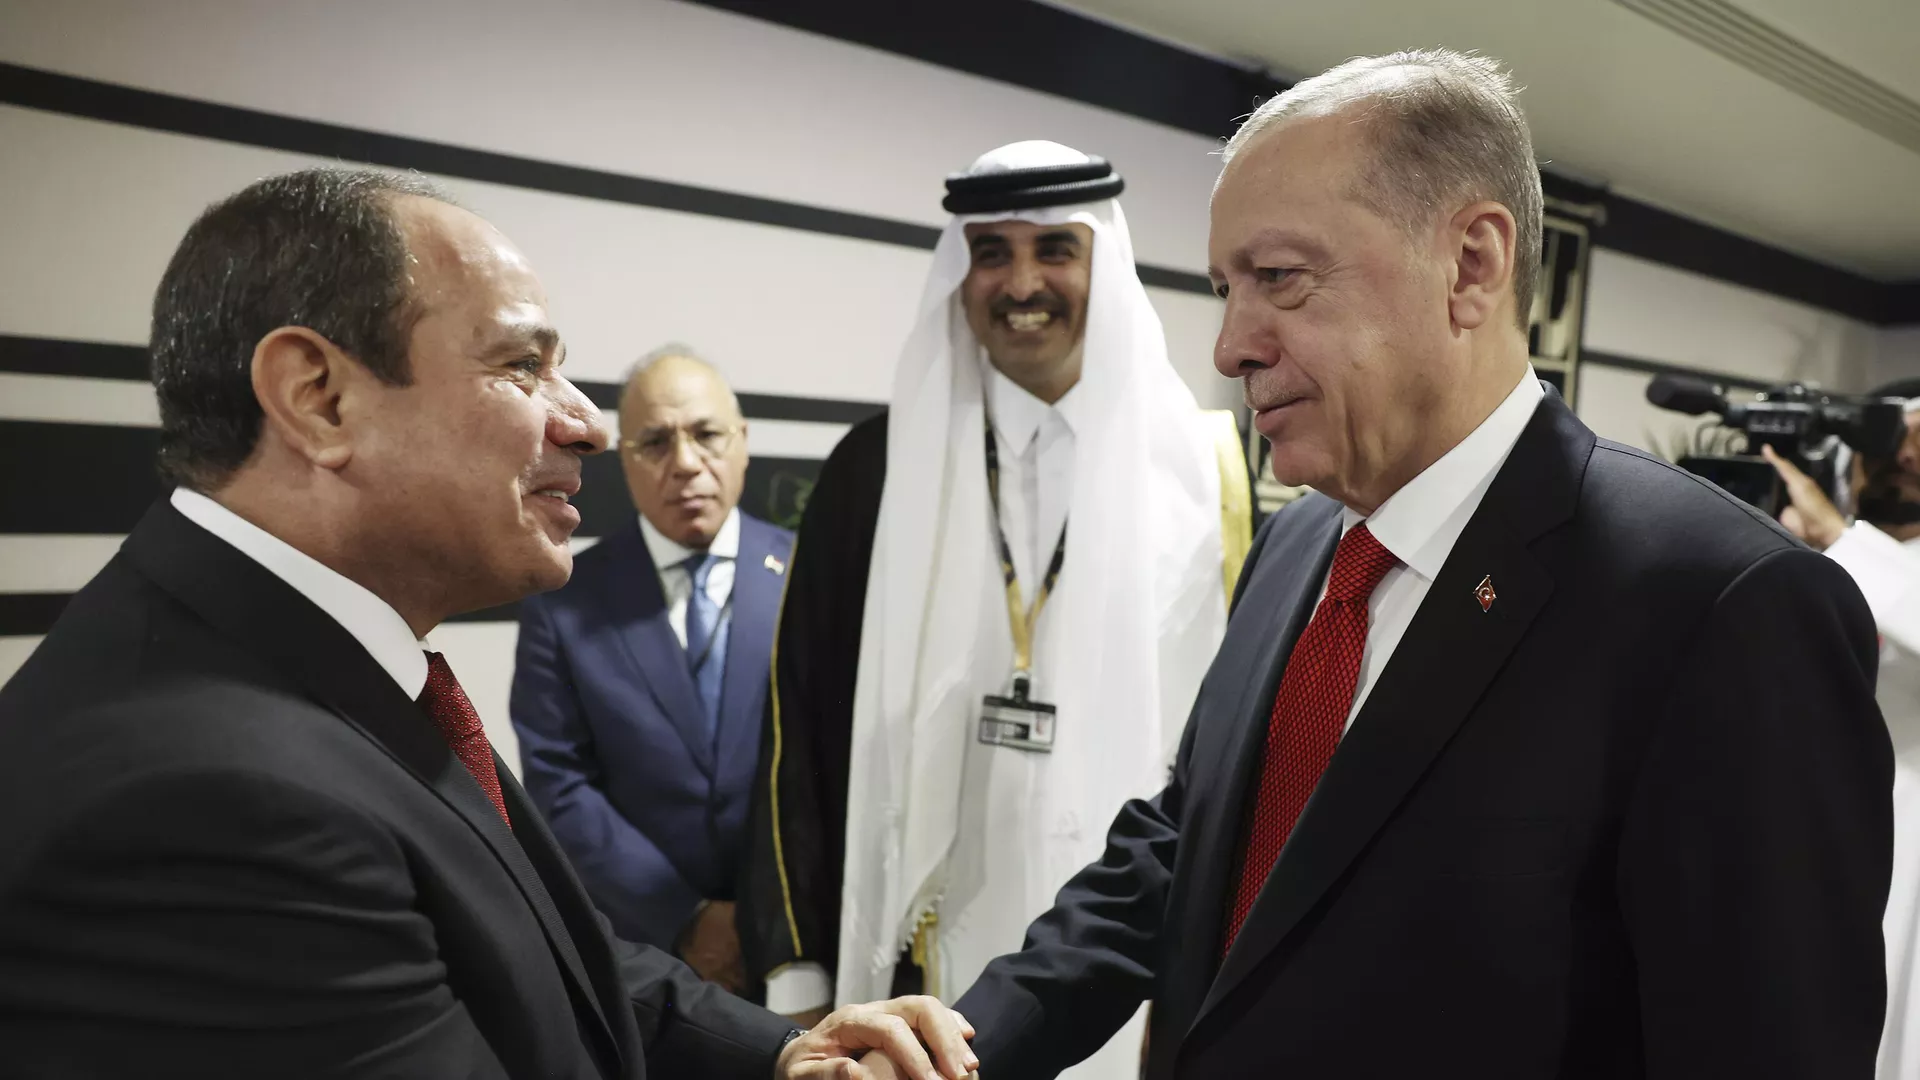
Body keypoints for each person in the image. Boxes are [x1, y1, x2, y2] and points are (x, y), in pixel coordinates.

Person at [876, 49, 1883, 1079]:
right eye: (1226, 289)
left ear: (1471, 266)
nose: (1229, 346)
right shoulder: (1296, 545)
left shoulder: (1722, 606)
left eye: (1279, 278)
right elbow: (1188, 846)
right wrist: (958, 1048)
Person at [0, 168, 975, 1080]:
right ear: (318, 399)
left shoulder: (315, 659)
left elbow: (532, 946)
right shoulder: (212, 800)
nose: (587, 425)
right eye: (523, 365)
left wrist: (785, 1054)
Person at [737, 141, 1252, 1078]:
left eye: (1054, 248)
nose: (1021, 283)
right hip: (918, 960)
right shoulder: (876, 471)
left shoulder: (1203, 473)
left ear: (1103, 262)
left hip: (1131, 971)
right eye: (991, 253)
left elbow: (1231, 755)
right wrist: (797, 971)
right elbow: (796, 730)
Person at [512, 345, 793, 992]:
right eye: (656, 442)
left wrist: (779, 918)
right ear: (625, 459)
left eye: (707, 435)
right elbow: (560, 785)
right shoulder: (565, 601)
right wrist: (687, 918)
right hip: (647, 959)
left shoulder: (813, 577)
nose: (686, 464)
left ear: (743, 441)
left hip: (804, 944)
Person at [1764, 384, 1920, 1080]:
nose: (1905, 456)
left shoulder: (1852, 553)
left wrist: (1841, 541)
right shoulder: (1795, 559)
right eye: (1886, 437)